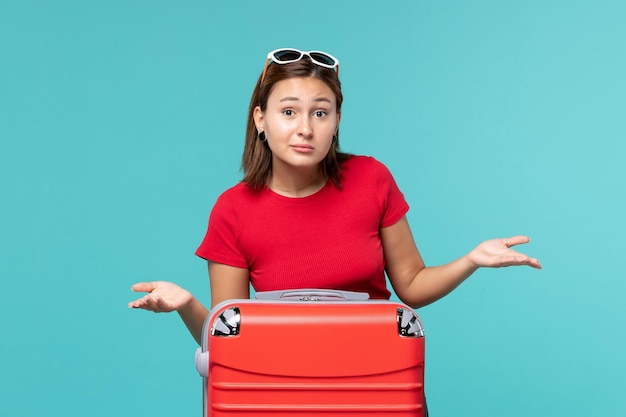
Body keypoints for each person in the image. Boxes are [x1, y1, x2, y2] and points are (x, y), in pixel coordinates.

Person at [128, 48, 541, 346]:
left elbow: (412, 286)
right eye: (289, 111)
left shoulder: (371, 178)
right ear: (260, 119)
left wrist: (471, 259)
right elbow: (231, 334)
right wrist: (186, 305)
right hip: (283, 388)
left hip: (379, 380)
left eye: (320, 112)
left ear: (337, 120)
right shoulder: (233, 209)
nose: (305, 128)